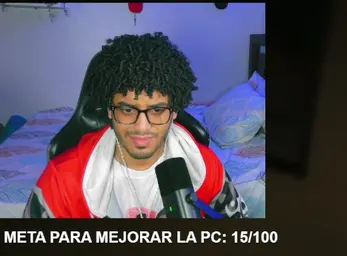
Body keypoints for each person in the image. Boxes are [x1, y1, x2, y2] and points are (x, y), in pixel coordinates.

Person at [24, 32, 248, 219]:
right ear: (110, 110)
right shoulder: (62, 179)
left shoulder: (204, 167)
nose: (142, 127)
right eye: (128, 110)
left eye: (157, 110)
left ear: (174, 112)